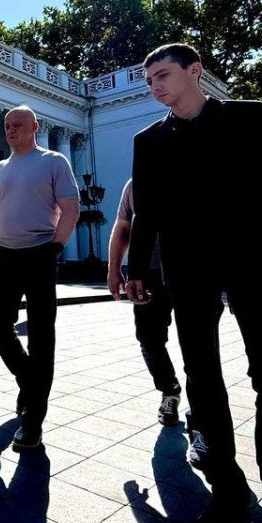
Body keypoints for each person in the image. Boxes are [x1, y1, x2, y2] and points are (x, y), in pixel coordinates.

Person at [126, 43, 262, 523]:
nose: (154, 87)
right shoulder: (148, 141)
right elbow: (146, 212)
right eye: (149, 80)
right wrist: (138, 271)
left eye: (163, 75)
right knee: (202, 377)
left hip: (253, 261)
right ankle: (229, 493)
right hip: (187, 271)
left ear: (195, 71)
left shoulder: (249, 118)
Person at [0, 105, 79, 451]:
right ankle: (29, 381)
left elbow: (71, 209)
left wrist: (56, 247)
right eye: (7, 125)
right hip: (5, 254)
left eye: (18, 124)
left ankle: (34, 421)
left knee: (41, 336)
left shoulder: (54, 162)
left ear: (35, 126)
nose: (11, 129)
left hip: (40, 252)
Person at [108, 178, 186, 427]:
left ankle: (203, 409)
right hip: (147, 274)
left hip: (190, 273)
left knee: (197, 342)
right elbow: (123, 226)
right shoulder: (135, 184)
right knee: (149, 339)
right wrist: (113, 269)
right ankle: (169, 389)